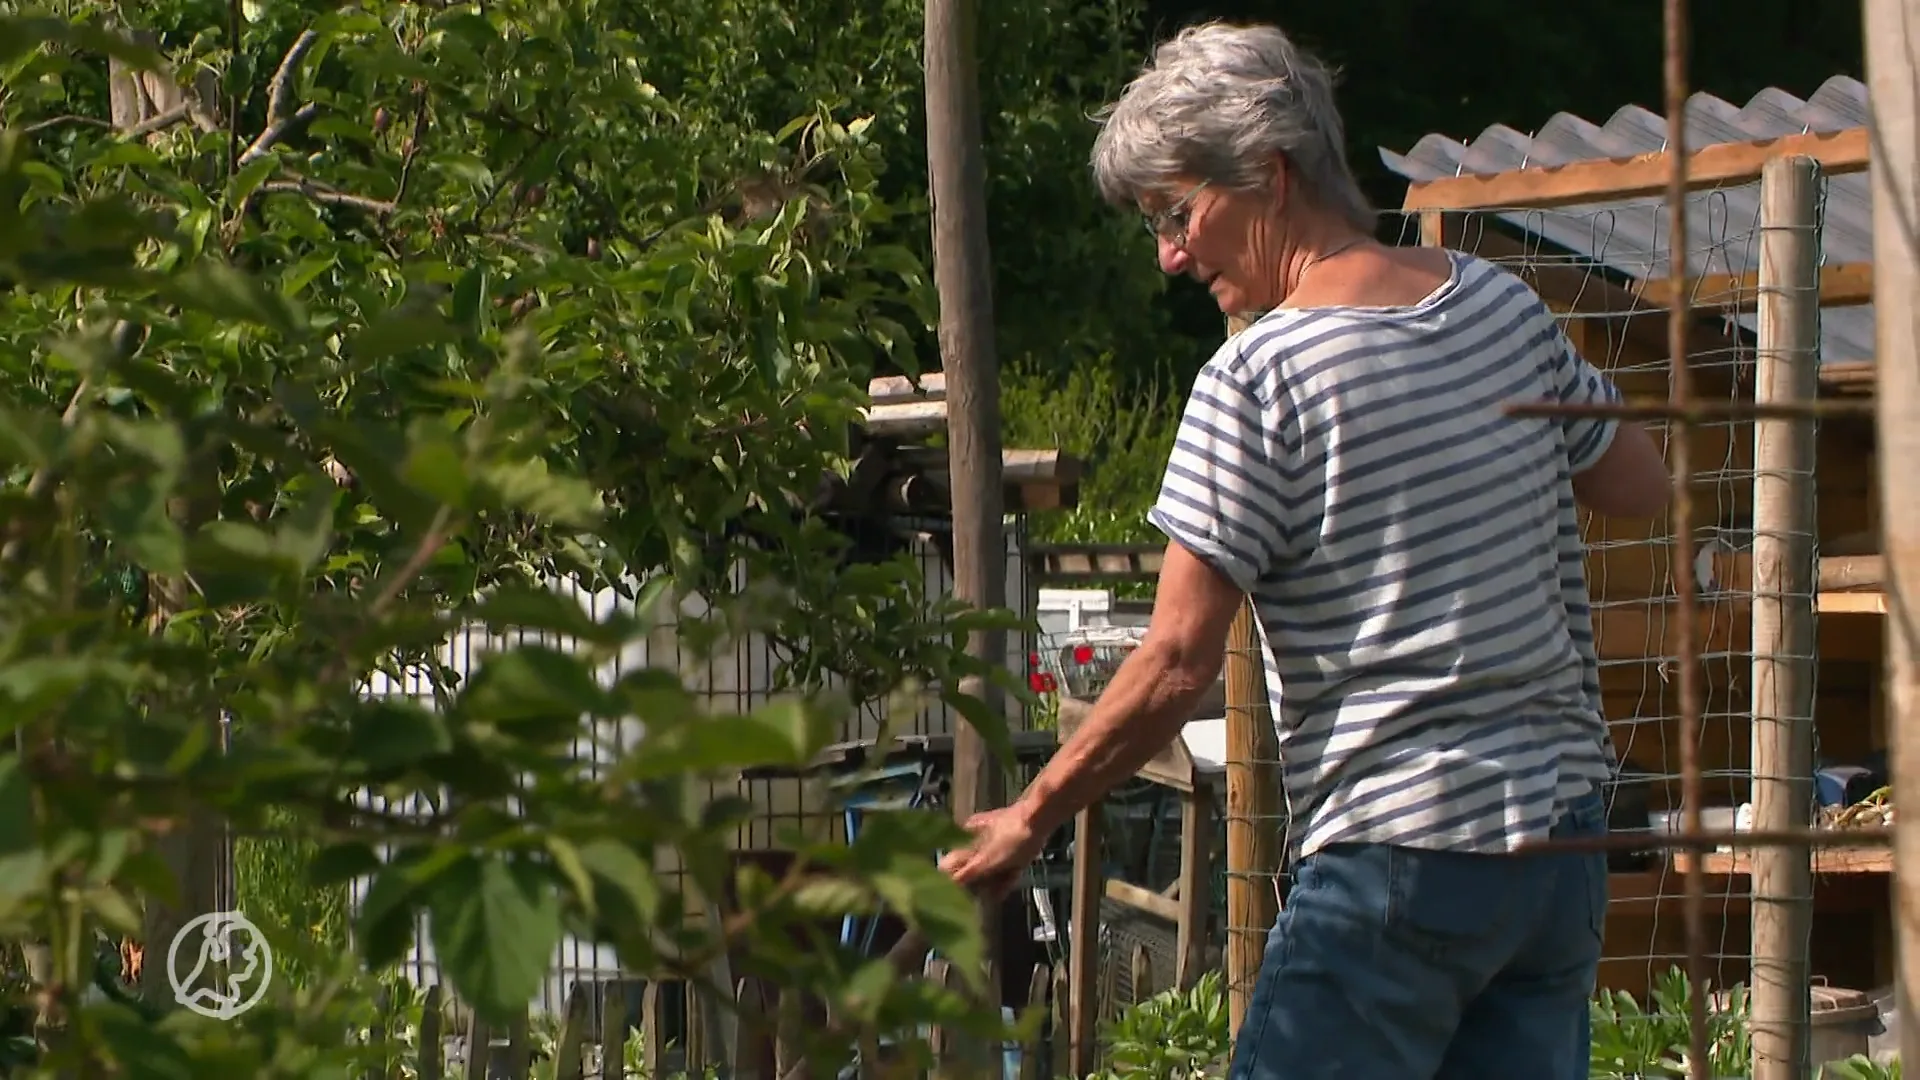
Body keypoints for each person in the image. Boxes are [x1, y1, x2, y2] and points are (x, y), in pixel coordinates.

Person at [937, 19, 1673, 1080]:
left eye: (1181, 214)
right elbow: (1639, 484)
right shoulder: (1503, 311)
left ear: (1271, 176)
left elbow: (1181, 660)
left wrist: (1028, 816)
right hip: (1555, 854)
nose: (1171, 255)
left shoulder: (1259, 380)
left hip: (1400, 860)